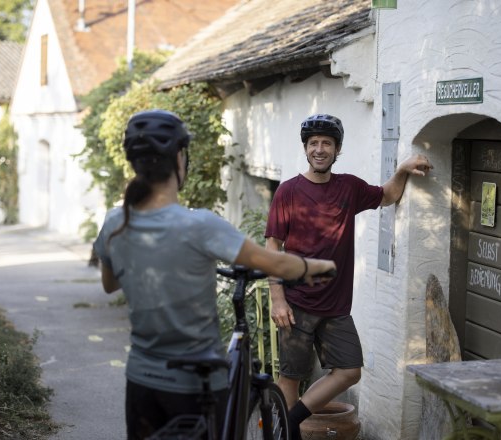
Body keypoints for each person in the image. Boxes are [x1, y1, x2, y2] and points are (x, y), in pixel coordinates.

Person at [92, 109, 337, 440]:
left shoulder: (113, 222)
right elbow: (275, 263)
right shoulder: (200, 225)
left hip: (141, 381)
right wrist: (319, 267)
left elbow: (110, 285)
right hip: (195, 385)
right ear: (181, 159)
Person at [264, 113, 433, 439]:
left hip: (335, 306)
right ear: (305, 148)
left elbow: (387, 196)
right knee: (290, 377)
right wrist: (277, 298)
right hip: (296, 302)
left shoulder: (349, 188)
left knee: (349, 371)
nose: (319, 149)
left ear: (337, 149)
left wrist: (401, 170)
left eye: (326, 143)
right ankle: (288, 433)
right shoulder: (288, 192)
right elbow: (273, 246)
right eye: (313, 143)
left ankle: (290, 419)